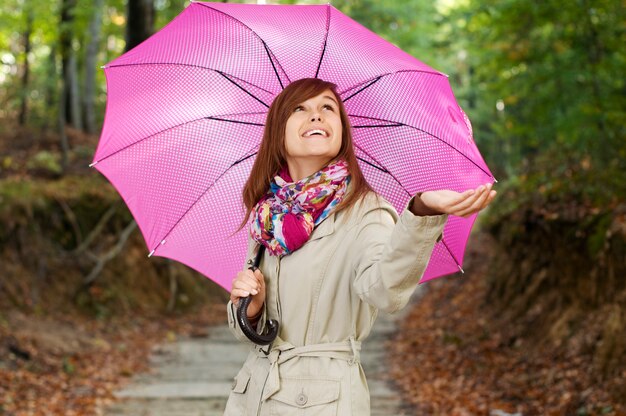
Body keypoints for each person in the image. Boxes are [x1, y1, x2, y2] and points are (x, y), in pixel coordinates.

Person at [223, 78, 495, 415]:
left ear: (341, 130)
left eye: (327, 108)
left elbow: (384, 291)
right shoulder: (269, 213)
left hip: (322, 402)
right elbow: (250, 332)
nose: (316, 116)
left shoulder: (366, 212)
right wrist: (250, 308)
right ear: (278, 130)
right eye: (300, 109)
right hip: (253, 396)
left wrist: (423, 209)